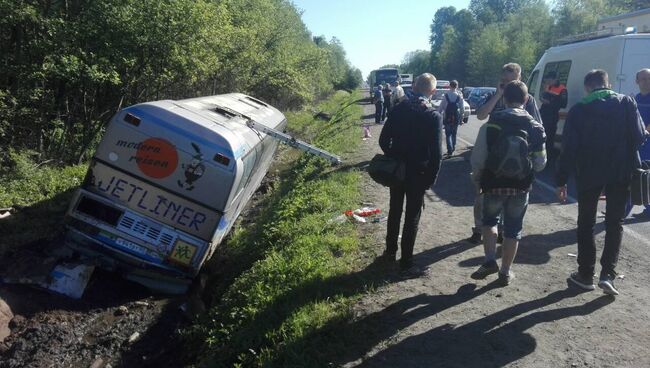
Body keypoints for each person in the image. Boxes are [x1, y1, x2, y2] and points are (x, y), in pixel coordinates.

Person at [556, 70, 646, 296]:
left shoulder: (579, 110)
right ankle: (608, 275)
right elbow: (639, 136)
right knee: (615, 223)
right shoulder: (627, 102)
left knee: (586, 223)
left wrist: (561, 179)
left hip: (589, 173)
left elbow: (569, 149)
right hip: (620, 172)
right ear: (609, 84)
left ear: (588, 87)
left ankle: (585, 275)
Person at [470, 80, 546, 286]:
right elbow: (540, 163)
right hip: (521, 186)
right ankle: (505, 271)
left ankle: (488, 261)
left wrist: (478, 177)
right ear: (526, 99)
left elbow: (479, 156)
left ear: (504, 98)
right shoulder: (535, 127)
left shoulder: (492, 123)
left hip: (493, 182)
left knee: (489, 222)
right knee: (513, 230)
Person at [469, 63, 542, 245]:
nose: (507, 83)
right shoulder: (494, 95)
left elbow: (536, 126)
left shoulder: (528, 99)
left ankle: (500, 232)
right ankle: (479, 228)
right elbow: (480, 115)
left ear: (519, 78)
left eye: (511, 80)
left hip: (517, 154)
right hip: (494, 153)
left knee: (509, 198)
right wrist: (499, 95)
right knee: (483, 197)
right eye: (504, 80)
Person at [379, 73, 443, 277]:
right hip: (419, 173)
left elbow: (383, 140)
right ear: (433, 91)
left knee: (395, 210)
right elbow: (436, 153)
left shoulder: (399, 108)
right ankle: (406, 263)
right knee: (412, 217)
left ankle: (390, 253)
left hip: (397, 170)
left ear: (414, 87)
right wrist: (431, 178)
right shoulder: (432, 115)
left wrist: (393, 157)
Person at [539, 71, 567, 157]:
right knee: (541, 137)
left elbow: (563, 104)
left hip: (552, 117)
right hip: (543, 114)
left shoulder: (562, 89)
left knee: (549, 139)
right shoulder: (548, 87)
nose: (547, 81)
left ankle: (548, 158)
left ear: (555, 79)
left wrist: (549, 103)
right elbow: (543, 97)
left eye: (549, 80)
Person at [634, 68, 650, 217]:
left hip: (648, 142)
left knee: (648, 175)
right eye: (643, 79)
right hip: (638, 143)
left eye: (649, 78)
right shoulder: (635, 99)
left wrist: (644, 132)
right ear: (637, 81)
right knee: (638, 175)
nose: (646, 81)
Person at [438, 80, 465, 157]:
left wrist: (438, 114)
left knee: (448, 134)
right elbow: (462, 108)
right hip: (455, 117)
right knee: (454, 134)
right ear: (457, 86)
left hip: (447, 117)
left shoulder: (446, 95)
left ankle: (449, 149)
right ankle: (453, 148)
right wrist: (461, 118)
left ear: (450, 86)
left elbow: (441, 107)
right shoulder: (459, 96)